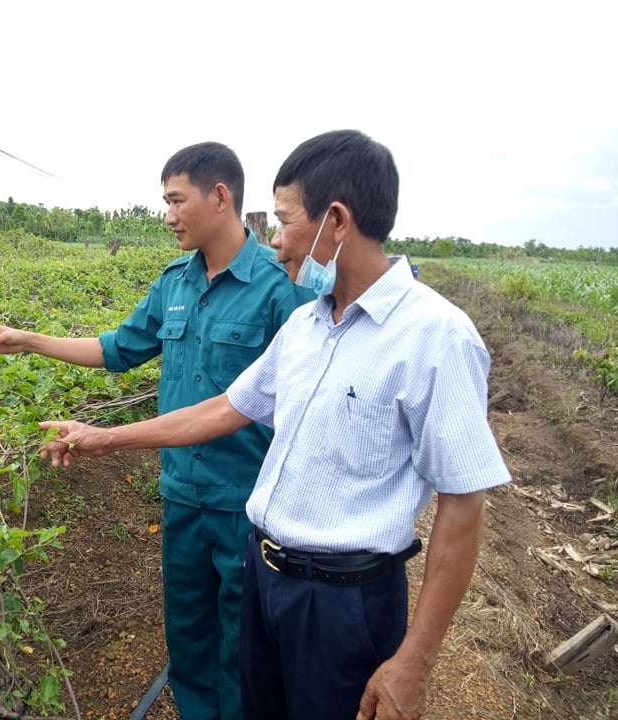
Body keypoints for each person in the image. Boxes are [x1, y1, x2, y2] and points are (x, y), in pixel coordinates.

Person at [37, 130, 512, 720]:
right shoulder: (308, 326)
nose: (277, 243)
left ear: (335, 221)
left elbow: (463, 503)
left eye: (285, 222)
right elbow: (221, 410)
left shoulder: (435, 337)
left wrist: (414, 661)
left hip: (344, 601)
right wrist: (104, 437)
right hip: (266, 576)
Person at [0, 141, 313, 720]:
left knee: (243, 647)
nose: (168, 214)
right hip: (181, 495)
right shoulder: (174, 284)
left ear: (220, 197)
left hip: (247, 504)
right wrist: (27, 340)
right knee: (188, 636)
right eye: (165, 201)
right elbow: (117, 348)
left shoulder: (281, 291)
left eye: (176, 200)